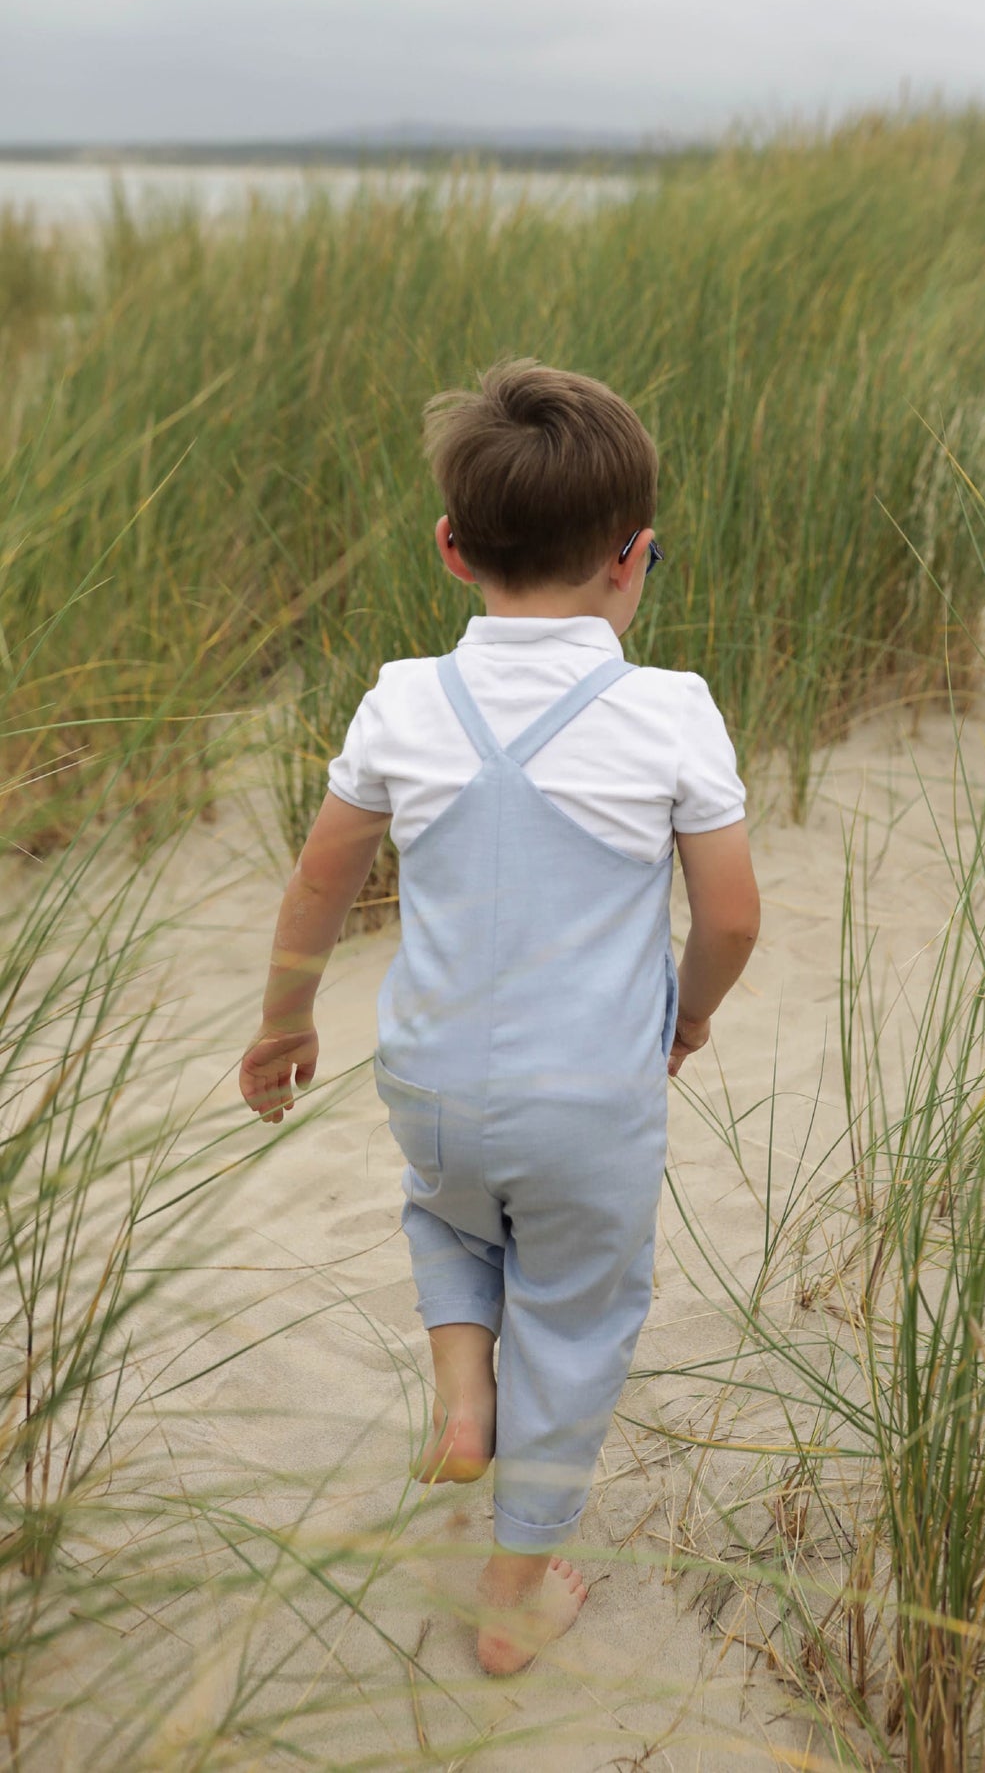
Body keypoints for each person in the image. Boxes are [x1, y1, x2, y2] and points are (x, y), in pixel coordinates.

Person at [238, 360, 760, 1674]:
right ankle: (514, 1590)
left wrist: (282, 1020)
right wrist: (686, 1017)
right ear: (635, 558)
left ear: (451, 548)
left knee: (449, 1210)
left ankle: (463, 1386)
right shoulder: (667, 708)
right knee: (580, 1314)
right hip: (591, 1097)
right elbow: (734, 915)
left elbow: (323, 873)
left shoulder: (405, 696)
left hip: (430, 1075)